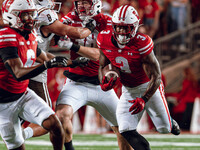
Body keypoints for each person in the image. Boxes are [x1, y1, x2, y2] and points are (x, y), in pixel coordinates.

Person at [66, 5, 181, 150]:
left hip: (149, 87)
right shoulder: (104, 38)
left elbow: (156, 77)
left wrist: (144, 99)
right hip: (129, 90)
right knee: (125, 129)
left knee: (164, 128)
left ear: (134, 27)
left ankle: (169, 121)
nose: (121, 32)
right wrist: (105, 79)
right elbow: (103, 65)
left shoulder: (142, 42)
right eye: (118, 27)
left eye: (125, 28)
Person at [55, 0, 132, 150]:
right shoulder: (69, 19)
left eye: (86, 2)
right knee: (61, 117)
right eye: (79, 2)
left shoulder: (108, 22)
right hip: (75, 83)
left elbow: (100, 55)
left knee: (125, 128)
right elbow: (52, 38)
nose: (81, 6)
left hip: (101, 86)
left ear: (96, 4)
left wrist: (72, 46)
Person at [0, 0, 73, 149]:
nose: (31, 19)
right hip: (3, 103)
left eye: (32, 14)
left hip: (23, 94)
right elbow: (18, 73)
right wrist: (46, 66)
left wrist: (73, 63)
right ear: (12, 16)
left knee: (55, 124)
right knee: (17, 146)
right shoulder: (5, 37)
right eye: (26, 15)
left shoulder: (30, 34)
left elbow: (45, 57)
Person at [22, 0, 94, 140]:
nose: (53, 2)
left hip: (21, 64)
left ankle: (13, 135)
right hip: (34, 69)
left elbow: (44, 53)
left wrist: (71, 62)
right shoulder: (45, 14)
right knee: (49, 121)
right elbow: (75, 33)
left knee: (16, 111)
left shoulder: (26, 13)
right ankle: (19, 135)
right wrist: (90, 29)